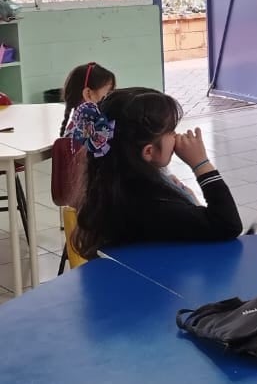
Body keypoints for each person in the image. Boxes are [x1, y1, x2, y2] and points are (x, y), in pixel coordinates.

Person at [70, 87, 243, 259]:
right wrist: (201, 164)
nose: (176, 136)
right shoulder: (153, 206)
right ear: (149, 152)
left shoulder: (113, 188)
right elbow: (228, 225)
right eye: (171, 131)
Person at [59, 62, 116, 136]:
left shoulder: (79, 124)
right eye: (108, 93)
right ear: (88, 94)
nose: (113, 98)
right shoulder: (86, 130)